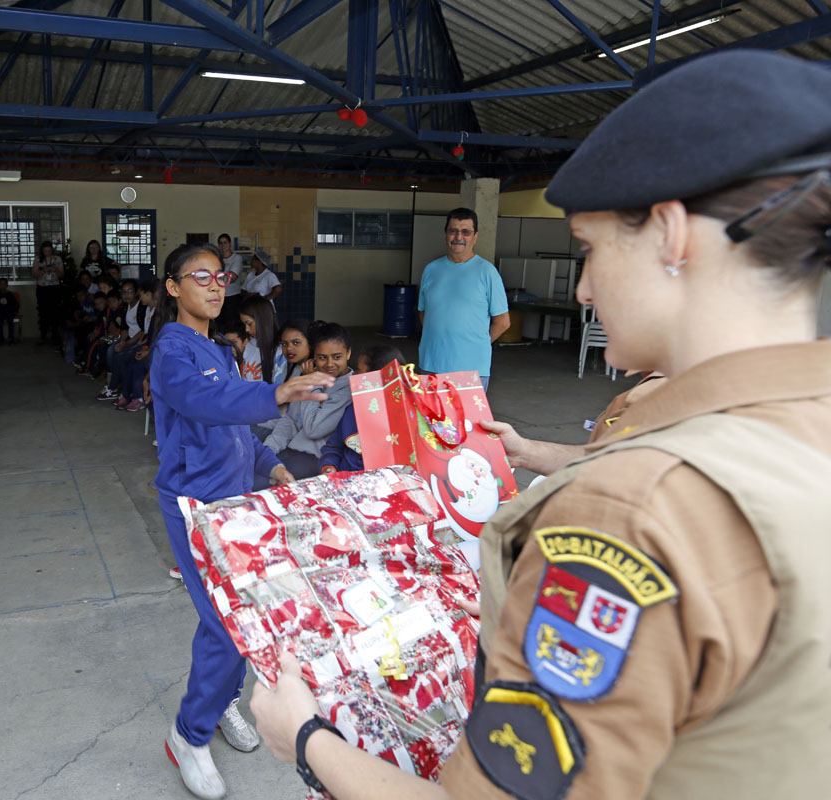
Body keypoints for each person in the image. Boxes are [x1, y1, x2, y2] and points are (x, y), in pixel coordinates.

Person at [249, 50, 831, 800]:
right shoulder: (791, 431)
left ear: (671, 235)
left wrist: (306, 739)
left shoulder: (630, 508)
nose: (584, 289)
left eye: (590, 249)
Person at [150, 242, 334, 800]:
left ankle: (221, 700)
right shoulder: (172, 351)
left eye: (220, 276)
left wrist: (270, 464)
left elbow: (234, 428)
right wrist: (276, 392)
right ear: (174, 288)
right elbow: (207, 402)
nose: (214, 285)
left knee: (240, 620)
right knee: (228, 623)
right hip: (195, 506)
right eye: (199, 276)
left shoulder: (220, 350)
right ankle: (188, 734)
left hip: (235, 503)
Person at [416, 208, 510, 390]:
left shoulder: (487, 272)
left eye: (466, 232)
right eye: (453, 231)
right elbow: (424, 312)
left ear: (475, 237)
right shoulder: (431, 270)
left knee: (467, 411)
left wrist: (476, 346)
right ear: (446, 234)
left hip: (471, 369)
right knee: (429, 410)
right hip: (431, 364)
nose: (459, 236)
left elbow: (503, 322)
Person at [262, 322, 355, 480]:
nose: (329, 364)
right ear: (314, 357)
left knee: (257, 483)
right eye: (322, 358)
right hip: (291, 449)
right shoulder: (313, 377)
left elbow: (314, 429)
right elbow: (290, 420)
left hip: (315, 459)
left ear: (348, 353)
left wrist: (311, 383)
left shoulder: (349, 388)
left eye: (337, 357)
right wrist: (268, 450)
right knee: (252, 468)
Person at [319, 344, 405, 475]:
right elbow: (334, 446)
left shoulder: (405, 419)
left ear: (377, 377)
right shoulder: (354, 409)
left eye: (359, 370)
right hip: (344, 477)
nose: (354, 375)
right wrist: (329, 466)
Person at [115, 280, 158, 412]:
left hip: (154, 348)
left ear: (149, 294)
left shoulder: (159, 312)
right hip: (147, 345)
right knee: (129, 360)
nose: (140, 297)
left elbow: (157, 337)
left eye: (142, 294)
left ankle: (139, 398)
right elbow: (146, 332)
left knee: (137, 363)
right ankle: (127, 394)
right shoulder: (148, 309)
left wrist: (147, 349)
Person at [238, 295, 286, 385]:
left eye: (249, 324)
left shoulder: (281, 351)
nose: (246, 329)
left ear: (262, 320)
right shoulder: (249, 345)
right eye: (244, 324)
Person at [33, 241, 64, 345]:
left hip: (54, 288)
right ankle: (43, 335)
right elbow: (34, 274)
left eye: (49, 251)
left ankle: (55, 335)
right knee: (43, 312)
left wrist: (55, 270)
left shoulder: (57, 259)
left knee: (55, 312)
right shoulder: (38, 259)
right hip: (42, 288)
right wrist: (43, 270)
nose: (47, 253)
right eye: (45, 251)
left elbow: (62, 275)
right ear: (42, 250)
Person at [215, 233, 245, 329]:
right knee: (219, 326)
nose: (223, 245)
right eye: (220, 243)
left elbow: (232, 278)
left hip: (233, 297)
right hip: (219, 297)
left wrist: (215, 278)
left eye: (225, 242)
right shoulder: (217, 259)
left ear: (230, 244)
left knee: (232, 327)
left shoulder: (237, 258)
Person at [0, 277, 21, 345]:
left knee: (10, 320)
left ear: (7, 285)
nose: (2, 286)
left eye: (4, 284)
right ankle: (0, 339)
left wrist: (13, 311)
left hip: (8, 312)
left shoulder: (10, 294)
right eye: (1, 284)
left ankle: (11, 338)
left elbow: (15, 305)